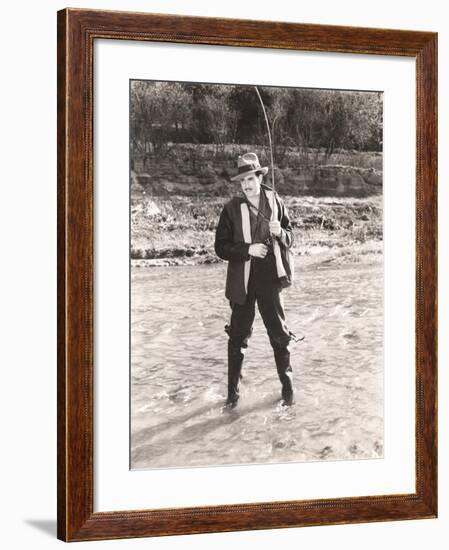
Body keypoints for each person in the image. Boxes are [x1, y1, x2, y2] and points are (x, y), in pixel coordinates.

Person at [215, 152, 295, 408]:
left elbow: (291, 237)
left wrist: (280, 232)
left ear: (260, 177)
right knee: (237, 337)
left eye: (251, 178)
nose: (247, 185)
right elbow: (220, 247)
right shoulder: (230, 208)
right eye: (242, 181)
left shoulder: (276, 201)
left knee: (279, 335)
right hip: (242, 280)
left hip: (270, 277)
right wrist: (247, 250)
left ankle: (288, 393)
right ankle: (232, 397)